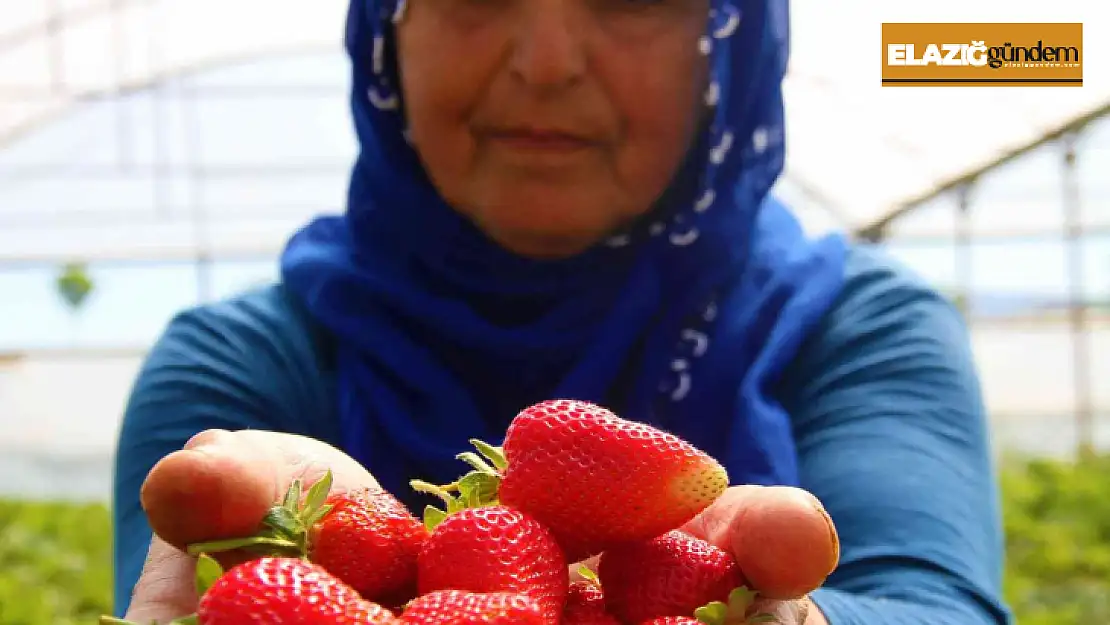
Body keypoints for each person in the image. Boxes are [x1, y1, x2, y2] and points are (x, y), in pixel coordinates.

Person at [109, 0, 1014, 622]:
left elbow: (934, 598)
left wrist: (799, 614)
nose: (545, 64)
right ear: (389, 32)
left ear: (728, 42)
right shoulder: (237, 364)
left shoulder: (856, 325)